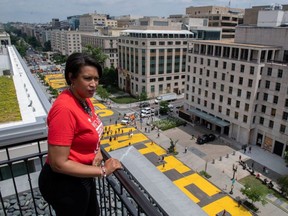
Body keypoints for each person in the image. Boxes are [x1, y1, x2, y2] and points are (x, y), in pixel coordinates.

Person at [38, 53, 122, 216]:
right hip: (64, 183)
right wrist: (104, 170)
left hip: (81, 175)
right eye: (87, 78)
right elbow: (58, 163)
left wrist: (96, 151)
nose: (93, 84)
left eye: (96, 79)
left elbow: (88, 132)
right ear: (72, 77)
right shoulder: (65, 109)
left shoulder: (84, 99)